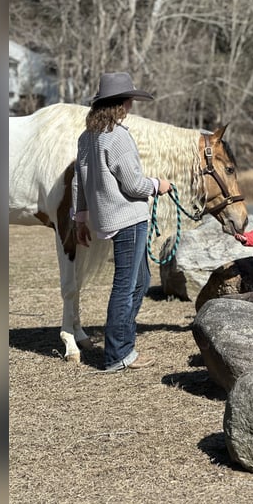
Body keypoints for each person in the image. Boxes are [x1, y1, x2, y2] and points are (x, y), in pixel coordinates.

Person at [74, 72, 171, 372]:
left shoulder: (87, 137)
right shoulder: (118, 137)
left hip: (110, 218)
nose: (131, 104)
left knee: (140, 281)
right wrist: (157, 185)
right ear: (122, 103)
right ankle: (118, 354)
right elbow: (132, 184)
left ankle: (124, 345)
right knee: (126, 285)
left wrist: (80, 218)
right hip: (128, 218)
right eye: (129, 100)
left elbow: (79, 182)